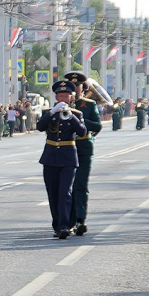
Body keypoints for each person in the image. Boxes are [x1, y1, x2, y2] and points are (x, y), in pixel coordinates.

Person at [36, 81, 86, 239]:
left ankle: (65, 226)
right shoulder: (49, 112)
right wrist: (51, 113)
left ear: (71, 98)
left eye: (66, 95)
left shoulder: (76, 114)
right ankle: (57, 225)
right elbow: (40, 127)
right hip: (50, 157)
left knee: (65, 192)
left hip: (68, 157)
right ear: (56, 97)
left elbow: (82, 132)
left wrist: (72, 118)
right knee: (53, 193)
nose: (63, 98)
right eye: (60, 95)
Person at [65, 72, 103, 236]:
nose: (75, 90)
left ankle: (80, 220)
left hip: (83, 146)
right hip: (66, 148)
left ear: (82, 88)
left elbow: (97, 126)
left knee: (80, 185)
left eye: (77, 86)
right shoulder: (62, 105)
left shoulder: (89, 104)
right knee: (66, 186)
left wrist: (79, 119)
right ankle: (68, 221)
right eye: (72, 87)